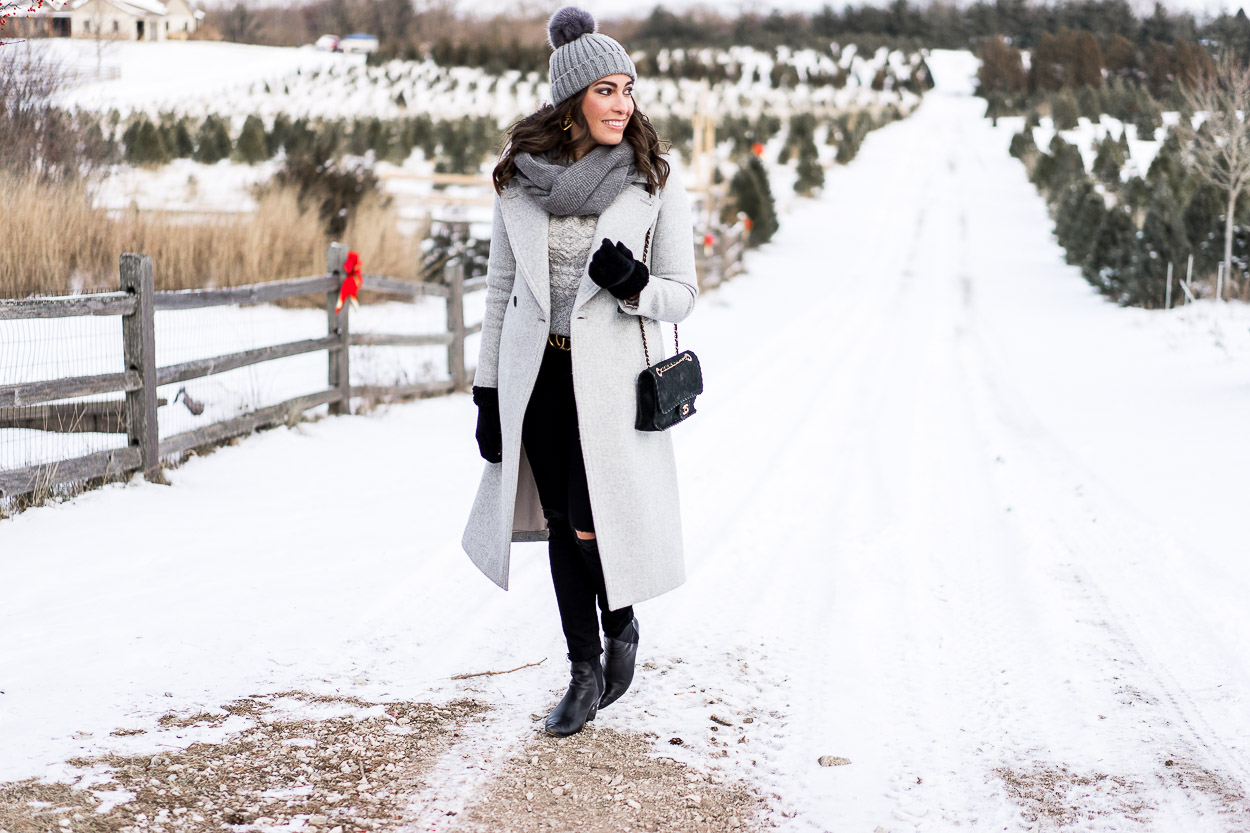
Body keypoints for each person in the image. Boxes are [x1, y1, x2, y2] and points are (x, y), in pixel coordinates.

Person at [461, 6, 698, 738]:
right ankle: (583, 668)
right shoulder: (518, 182)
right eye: (606, 89)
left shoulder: (651, 180)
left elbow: (682, 292)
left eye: (628, 88)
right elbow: (501, 290)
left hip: (612, 383)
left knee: (594, 524)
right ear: (571, 99)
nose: (623, 103)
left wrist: (633, 284)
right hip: (538, 379)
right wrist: (487, 391)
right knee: (563, 523)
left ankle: (620, 619)